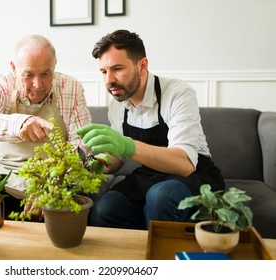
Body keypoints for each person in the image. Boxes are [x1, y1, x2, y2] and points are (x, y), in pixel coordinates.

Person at [77, 29, 225, 229]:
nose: (109, 80)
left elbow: (185, 164)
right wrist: (93, 164)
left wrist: (127, 145)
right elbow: (117, 157)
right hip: (150, 175)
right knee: (105, 208)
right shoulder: (118, 103)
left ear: (142, 65)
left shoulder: (177, 94)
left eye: (117, 69)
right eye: (104, 71)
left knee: (161, 196)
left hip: (193, 175)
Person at [0, 34, 93, 217]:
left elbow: (82, 144)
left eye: (46, 73)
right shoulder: (1, 84)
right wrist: (20, 124)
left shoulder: (72, 87)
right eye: (28, 75)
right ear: (14, 68)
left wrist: (51, 184)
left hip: (57, 176)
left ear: (54, 65)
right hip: (7, 173)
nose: (38, 85)